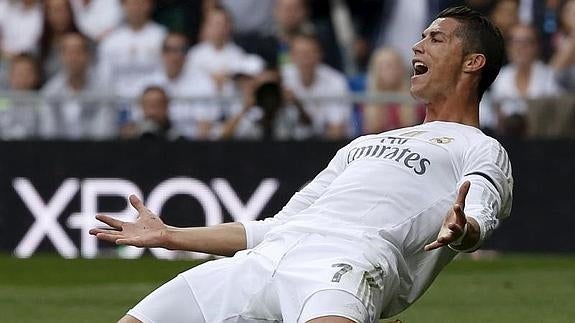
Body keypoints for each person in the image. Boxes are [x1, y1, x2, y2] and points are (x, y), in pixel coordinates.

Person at [90, 6, 513, 323]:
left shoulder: (479, 147)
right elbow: (274, 226)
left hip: (347, 264)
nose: (417, 46)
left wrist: (465, 231)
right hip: (266, 259)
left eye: (437, 39)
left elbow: (480, 209)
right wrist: (170, 236)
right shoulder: (364, 143)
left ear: (473, 62)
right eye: (421, 36)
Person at [39, 32, 116, 140]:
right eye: (69, 53)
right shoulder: (50, 92)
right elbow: (48, 131)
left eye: (78, 52)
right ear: (61, 57)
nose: (74, 58)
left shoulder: (103, 90)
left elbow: (104, 130)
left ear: (88, 56)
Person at [144, 32, 219, 140]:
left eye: (180, 50)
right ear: (161, 52)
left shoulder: (203, 82)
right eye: (168, 50)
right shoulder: (150, 82)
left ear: (187, 54)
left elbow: (205, 126)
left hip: (190, 146)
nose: (174, 56)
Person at [281, 33, 352, 140]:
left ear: (319, 55)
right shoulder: (281, 78)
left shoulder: (335, 81)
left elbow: (337, 128)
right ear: (292, 56)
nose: (305, 59)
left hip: (324, 144)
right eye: (300, 54)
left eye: (309, 53)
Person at [363, 47, 425, 134]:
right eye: (383, 66)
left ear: (401, 68)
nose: (389, 71)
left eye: (393, 65)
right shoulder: (365, 104)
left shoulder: (417, 101)